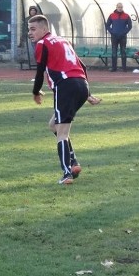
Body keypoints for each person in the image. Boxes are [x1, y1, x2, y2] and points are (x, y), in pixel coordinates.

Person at [27, 14, 98, 185]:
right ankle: (73, 163)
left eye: (33, 29)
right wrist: (87, 93)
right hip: (82, 85)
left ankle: (67, 174)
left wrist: (36, 92)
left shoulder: (42, 43)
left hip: (65, 86)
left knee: (62, 132)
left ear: (44, 29)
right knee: (54, 125)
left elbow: (40, 71)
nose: (30, 33)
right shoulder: (62, 41)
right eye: (28, 29)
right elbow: (83, 66)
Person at [105, 1, 133, 72]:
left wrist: (124, 32)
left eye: (121, 7)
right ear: (116, 7)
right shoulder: (112, 15)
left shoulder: (126, 16)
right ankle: (114, 68)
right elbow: (107, 25)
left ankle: (124, 68)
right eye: (119, 7)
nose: (120, 8)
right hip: (114, 36)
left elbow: (130, 26)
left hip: (123, 37)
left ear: (122, 8)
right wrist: (112, 32)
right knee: (114, 52)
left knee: (123, 52)